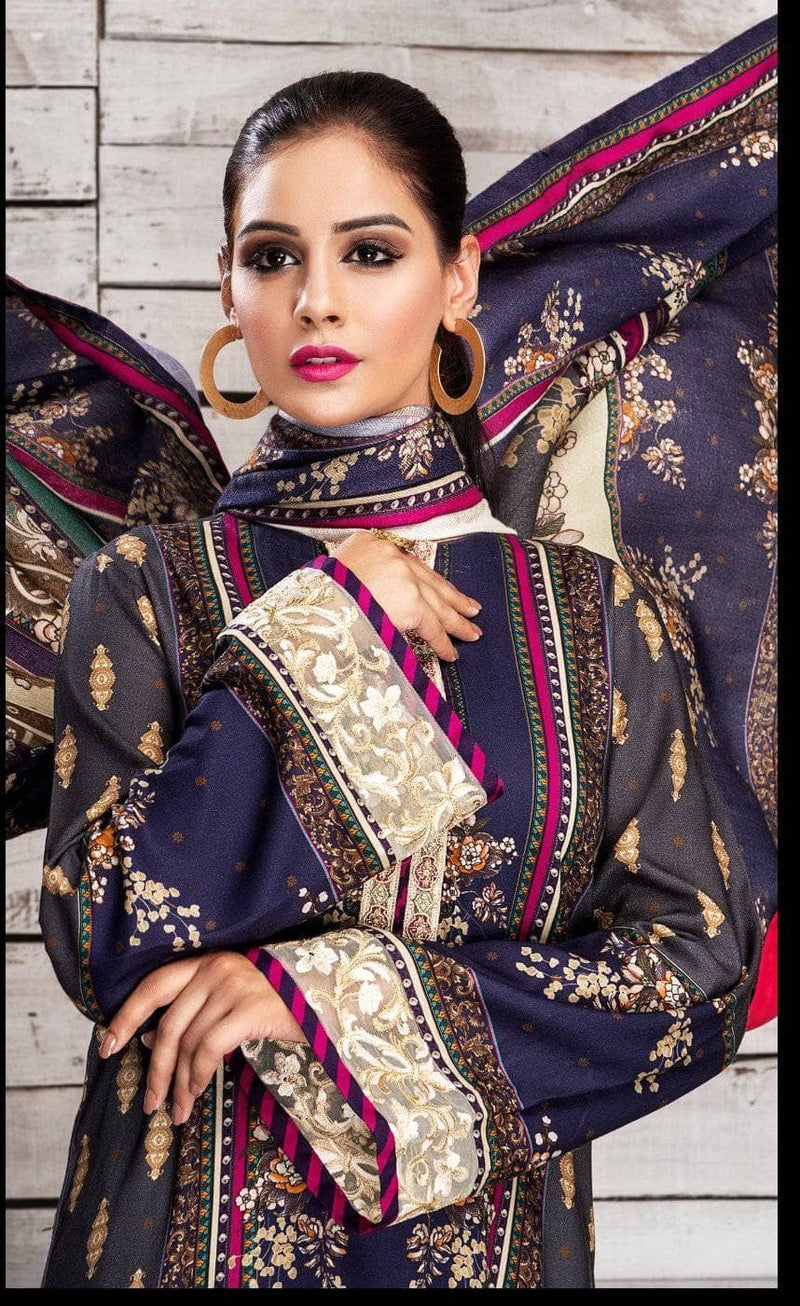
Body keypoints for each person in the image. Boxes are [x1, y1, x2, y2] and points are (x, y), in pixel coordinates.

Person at [8, 20, 774, 1292]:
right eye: (273, 256)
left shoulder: (595, 613)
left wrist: (313, 999)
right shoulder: (143, 585)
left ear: (457, 278)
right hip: (170, 1241)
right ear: (226, 287)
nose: (316, 298)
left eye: (369, 252)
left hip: (486, 1251)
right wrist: (322, 629)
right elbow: (107, 929)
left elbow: (694, 973)